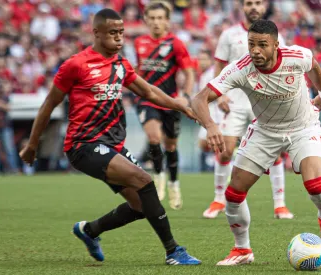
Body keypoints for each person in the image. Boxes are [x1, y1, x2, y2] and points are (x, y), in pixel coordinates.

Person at [19, 8, 201, 265]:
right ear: (96, 33)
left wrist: (180, 105)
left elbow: (148, 92)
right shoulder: (76, 65)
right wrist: (32, 145)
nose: (118, 38)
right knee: (144, 180)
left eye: (121, 33)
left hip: (112, 145)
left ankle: (89, 231)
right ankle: (173, 251)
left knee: (141, 205)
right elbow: (49, 104)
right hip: (83, 145)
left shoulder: (120, 64)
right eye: (112, 33)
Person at [192, 20, 321, 265]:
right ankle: (242, 250)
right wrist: (211, 125)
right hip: (265, 131)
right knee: (234, 193)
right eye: (251, 44)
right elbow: (199, 99)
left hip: (303, 127)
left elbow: (314, 66)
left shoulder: (296, 56)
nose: (255, 50)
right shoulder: (240, 69)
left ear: (276, 45)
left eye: (262, 45)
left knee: (315, 185)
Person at [203, 0, 293, 220]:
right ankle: (218, 199)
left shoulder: (275, 36)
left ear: (265, 7)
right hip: (234, 101)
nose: (254, 7)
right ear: (242, 7)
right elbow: (219, 64)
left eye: (258, 3)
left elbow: (283, 65)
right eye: (249, 3)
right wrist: (221, 93)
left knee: (274, 151)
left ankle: (280, 204)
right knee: (225, 149)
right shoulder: (229, 35)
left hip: (264, 100)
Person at [134, 1, 195, 209]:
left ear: (167, 21)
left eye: (160, 18)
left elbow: (189, 72)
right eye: (152, 18)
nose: (156, 22)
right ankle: (158, 177)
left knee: (170, 145)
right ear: (146, 20)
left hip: (170, 101)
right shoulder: (139, 43)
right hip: (146, 99)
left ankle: (174, 183)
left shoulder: (175, 44)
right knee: (154, 137)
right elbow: (137, 70)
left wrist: (185, 95)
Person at [195, 49, 223, 168]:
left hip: (217, 115)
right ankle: (218, 163)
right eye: (200, 59)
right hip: (210, 114)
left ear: (210, 61)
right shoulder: (204, 75)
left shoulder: (212, 74)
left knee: (209, 142)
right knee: (204, 144)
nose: (202, 62)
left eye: (204, 59)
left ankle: (221, 164)